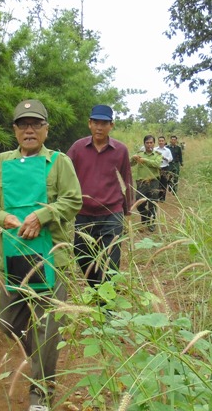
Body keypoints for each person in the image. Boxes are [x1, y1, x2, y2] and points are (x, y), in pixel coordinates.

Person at [0, 99, 82, 411]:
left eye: (36, 124)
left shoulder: (59, 162)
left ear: (46, 129)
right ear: (15, 130)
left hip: (51, 257)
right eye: (23, 124)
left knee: (47, 330)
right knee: (8, 322)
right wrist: (1, 217)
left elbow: (73, 200)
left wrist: (43, 216)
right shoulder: (0, 163)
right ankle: (39, 357)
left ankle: (41, 395)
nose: (30, 130)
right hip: (12, 257)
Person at [67, 105, 134, 287]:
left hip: (112, 213)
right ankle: (97, 289)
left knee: (110, 259)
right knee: (82, 254)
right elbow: (64, 174)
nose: (99, 127)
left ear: (111, 125)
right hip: (83, 213)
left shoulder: (120, 150)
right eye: (95, 122)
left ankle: (107, 304)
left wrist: (127, 211)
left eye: (104, 123)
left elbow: (126, 179)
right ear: (89, 124)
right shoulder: (78, 148)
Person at [131, 135, 162, 231]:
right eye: (147, 143)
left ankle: (151, 223)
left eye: (151, 142)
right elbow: (130, 164)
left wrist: (144, 160)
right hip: (142, 182)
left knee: (152, 203)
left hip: (154, 182)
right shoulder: (140, 153)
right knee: (139, 202)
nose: (149, 144)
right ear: (144, 144)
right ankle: (145, 214)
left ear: (154, 143)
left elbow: (157, 164)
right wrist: (133, 158)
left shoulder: (157, 154)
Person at [154, 136, 173, 202]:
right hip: (156, 168)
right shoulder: (155, 149)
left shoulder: (167, 150)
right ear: (158, 141)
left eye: (162, 141)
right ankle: (156, 197)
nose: (161, 142)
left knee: (164, 182)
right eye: (160, 141)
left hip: (165, 167)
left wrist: (164, 158)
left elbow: (170, 159)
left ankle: (162, 198)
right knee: (156, 182)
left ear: (164, 142)